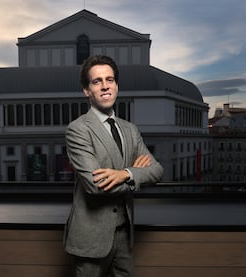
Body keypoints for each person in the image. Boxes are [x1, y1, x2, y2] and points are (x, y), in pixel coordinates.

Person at [63, 55, 163, 277]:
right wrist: (137, 175)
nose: (105, 86)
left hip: (125, 234)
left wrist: (124, 174)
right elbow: (96, 186)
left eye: (110, 79)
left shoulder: (130, 129)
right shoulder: (78, 130)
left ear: (117, 86)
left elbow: (156, 170)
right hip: (90, 239)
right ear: (87, 91)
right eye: (97, 81)